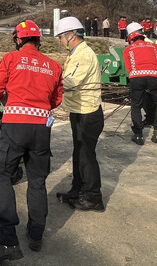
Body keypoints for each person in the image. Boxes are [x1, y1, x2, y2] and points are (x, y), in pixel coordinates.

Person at [0, 20, 63, 263]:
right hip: (42, 128)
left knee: (3, 175)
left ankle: (8, 242)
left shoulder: (10, 59)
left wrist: (9, 100)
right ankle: (36, 235)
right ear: (38, 40)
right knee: (37, 181)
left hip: (15, 127)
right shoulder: (54, 65)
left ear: (18, 39)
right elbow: (56, 100)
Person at [54, 17, 105, 212]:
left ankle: (93, 197)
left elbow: (70, 82)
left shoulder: (83, 55)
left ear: (71, 36)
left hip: (87, 114)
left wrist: (48, 84)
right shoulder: (76, 53)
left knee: (86, 156)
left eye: (61, 37)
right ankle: (78, 190)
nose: (60, 41)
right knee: (79, 153)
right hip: (79, 111)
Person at [123, 22, 157, 144]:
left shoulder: (127, 50)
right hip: (156, 78)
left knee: (136, 105)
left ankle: (138, 135)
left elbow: (129, 69)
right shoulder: (155, 47)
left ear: (130, 38)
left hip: (137, 78)